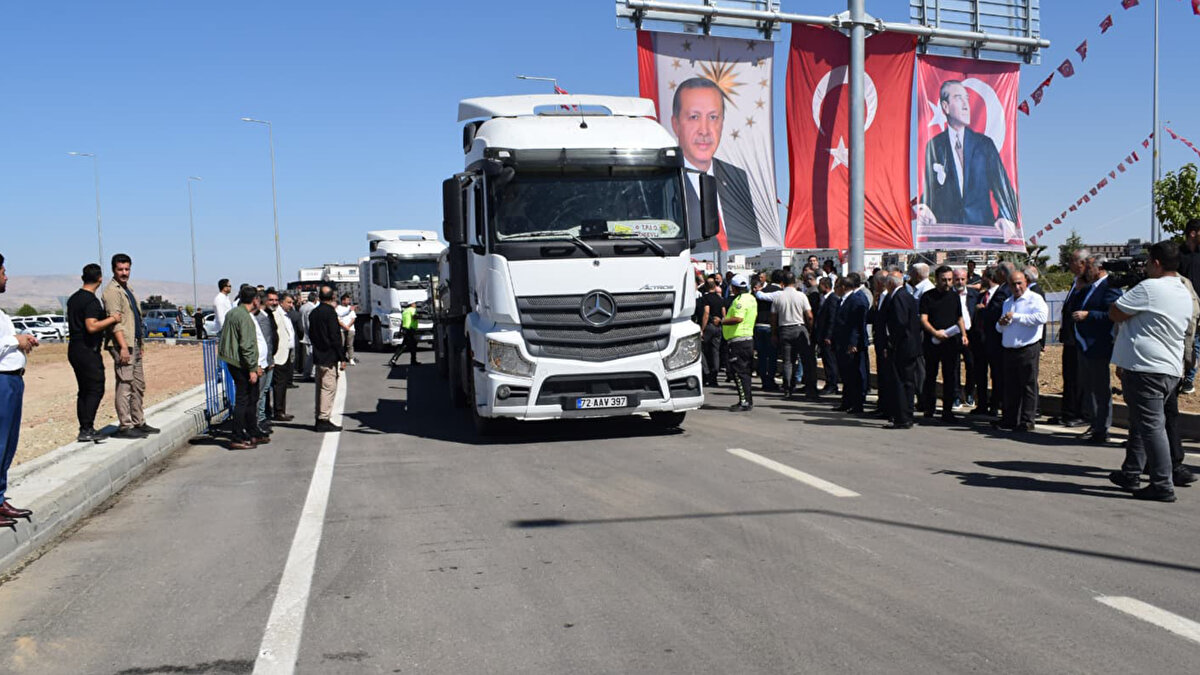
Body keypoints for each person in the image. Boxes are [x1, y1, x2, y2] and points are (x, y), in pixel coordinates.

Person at [1108, 241, 1193, 501]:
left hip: (1146, 368)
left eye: (1146, 262)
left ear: (1156, 263)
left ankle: (1162, 484)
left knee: (1153, 427)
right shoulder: (1182, 289)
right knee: (1144, 423)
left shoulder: (1149, 288)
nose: (1144, 267)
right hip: (1168, 367)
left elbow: (1115, 312)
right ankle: (1131, 471)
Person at [916, 80, 1019, 238]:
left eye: (967, 99)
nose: (966, 105)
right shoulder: (935, 145)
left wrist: (1006, 216)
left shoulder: (984, 145)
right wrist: (924, 206)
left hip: (984, 234)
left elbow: (1002, 185)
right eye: (958, 98)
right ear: (945, 107)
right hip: (946, 235)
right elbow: (930, 187)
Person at [672, 77, 759, 252]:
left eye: (713, 117)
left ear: (722, 123)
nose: (704, 130)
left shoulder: (737, 177)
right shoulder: (666, 181)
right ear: (676, 124)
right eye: (694, 117)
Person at [102, 253, 158, 439]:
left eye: (127, 269)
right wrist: (123, 347)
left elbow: (134, 318)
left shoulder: (128, 290)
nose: (124, 273)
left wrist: (139, 343)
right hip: (122, 344)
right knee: (125, 384)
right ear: (113, 270)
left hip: (134, 343)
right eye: (120, 269)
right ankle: (125, 425)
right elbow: (115, 322)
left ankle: (138, 421)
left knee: (138, 385)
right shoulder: (112, 292)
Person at [0, 253, 37, 529]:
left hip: (13, 381)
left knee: (8, 444)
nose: (6, 277)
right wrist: (16, 340)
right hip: (2, 383)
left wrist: (22, 343)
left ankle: (0, 498)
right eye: (2, 272)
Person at [67, 263, 122, 443]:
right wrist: (113, 319)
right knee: (95, 388)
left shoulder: (74, 298)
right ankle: (87, 428)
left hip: (75, 348)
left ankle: (85, 427)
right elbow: (91, 326)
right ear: (100, 279)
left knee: (84, 390)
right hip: (87, 350)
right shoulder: (90, 301)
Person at [1072, 256, 1121, 444]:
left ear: (1100, 267)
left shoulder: (1110, 286)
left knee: (1100, 389)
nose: (1086, 269)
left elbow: (1112, 313)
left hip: (1098, 343)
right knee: (1089, 387)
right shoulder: (1090, 287)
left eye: (1090, 266)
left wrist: (1088, 315)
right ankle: (1094, 424)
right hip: (1084, 344)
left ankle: (1102, 428)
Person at [993, 270, 1047, 432]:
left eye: (1019, 283)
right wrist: (1002, 322)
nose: (1016, 287)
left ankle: (1027, 421)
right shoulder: (1008, 301)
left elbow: (1041, 318)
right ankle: (1010, 419)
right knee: (1011, 386)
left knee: (1028, 386)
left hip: (1028, 347)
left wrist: (1016, 317)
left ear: (1026, 282)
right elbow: (999, 328)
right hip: (1010, 348)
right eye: (1013, 284)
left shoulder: (1034, 299)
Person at [920, 265, 968, 423]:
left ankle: (947, 410)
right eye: (944, 280)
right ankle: (929, 407)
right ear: (936, 279)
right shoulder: (928, 297)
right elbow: (923, 319)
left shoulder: (954, 296)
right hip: (933, 342)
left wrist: (964, 335)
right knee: (930, 375)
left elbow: (959, 317)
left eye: (949, 280)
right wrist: (935, 333)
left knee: (950, 376)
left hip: (951, 342)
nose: (947, 283)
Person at [218, 286, 262, 450]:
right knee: (243, 400)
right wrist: (252, 367)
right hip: (241, 363)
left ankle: (246, 432)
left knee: (244, 398)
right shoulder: (245, 318)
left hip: (231, 360)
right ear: (254, 300)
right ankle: (236, 436)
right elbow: (246, 345)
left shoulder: (233, 312)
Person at [1052, 249, 1089, 428]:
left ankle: (1079, 413)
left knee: (1079, 378)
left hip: (1079, 340)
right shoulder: (1076, 283)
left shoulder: (1087, 283)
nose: (1070, 264)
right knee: (1069, 376)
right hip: (1069, 338)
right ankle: (1067, 412)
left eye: (1073, 261)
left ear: (1082, 263)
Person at [882, 272, 921, 429]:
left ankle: (901, 417)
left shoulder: (898, 297)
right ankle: (907, 414)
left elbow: (900, 322)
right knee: (908, 382)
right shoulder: (907, 295)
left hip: (903, 346)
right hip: (910, 345)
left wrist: (892, 342)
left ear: (891, 284)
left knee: (900, 381)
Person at [770, 271, 816, 400]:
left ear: (782, 283)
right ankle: (810, 389)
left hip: (784, 329)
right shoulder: (801, 296)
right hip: (799, 328)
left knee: (788, 361)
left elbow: (773, 317)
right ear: (795, 282)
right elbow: (810, 316)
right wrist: (809, 330)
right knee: (806, 360)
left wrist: (774, 333)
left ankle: (788, 388)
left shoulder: (778, 297)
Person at [309, 285, 346, 431]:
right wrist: (342, 357)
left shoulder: (314, 313)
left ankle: (319, 416)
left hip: (318, 354)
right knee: (328, 388)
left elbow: (311, 333)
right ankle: (324, 418)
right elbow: (335, 336)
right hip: (329, 356)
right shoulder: (330, 313)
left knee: (320, 388)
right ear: (333, 297)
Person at [833, 273, 869, 414]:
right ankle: (846, 401)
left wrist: (853, 342)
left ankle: (857, 403)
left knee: (855, 374)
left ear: (843, 287)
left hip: (851, 344)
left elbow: (856, 324)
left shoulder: (856, 300)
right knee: (846, 374)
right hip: (842, 342)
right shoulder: (843, 300)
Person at [981, 262, 1014, 417]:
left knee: (999, 374)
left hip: (997, 338)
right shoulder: (1005, 289)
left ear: (1001, 274)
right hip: (997, 339)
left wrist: (984, 311)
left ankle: (998, 405)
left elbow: (994, 312)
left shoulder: (1004, 291)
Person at [720, 274, 756, 411]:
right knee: (745, 372)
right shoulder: (752, 298)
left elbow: (738, 318)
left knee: (738, 373)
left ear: (734, 288)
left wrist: (721, 321)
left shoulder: (739, 301)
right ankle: (748, 400)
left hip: (738, 341)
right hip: (747, 339)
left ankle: (744, 401)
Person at [1176, 219, 1200, 394]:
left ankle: (1189, 379)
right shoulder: (1177, 255)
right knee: (1179, 342)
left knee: (1195, 342)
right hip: (1180, 306)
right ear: (1193, 233)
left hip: (1198, 308)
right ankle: (1176, 376)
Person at [951, 268, 980, 409]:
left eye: (962, 279)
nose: (960, 282)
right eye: (957, 279)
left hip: (971, 335)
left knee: (972, 365)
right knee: (954, 367)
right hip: (954, 335)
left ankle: (969, 394)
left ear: (966, 280)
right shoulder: (948, 295)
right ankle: (956, 396)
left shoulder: (975, 295)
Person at [967, 268, 994, 416]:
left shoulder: (999, 295)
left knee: (995, 375)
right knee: (980, 374)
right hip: (978, 340)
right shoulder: (981, 296)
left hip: (993, 341)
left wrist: (984, 310)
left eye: (983, 277)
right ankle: (981, 403)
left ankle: (995, 404)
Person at [251, 291, 275, 440]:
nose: (274, 303)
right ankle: (258, 421)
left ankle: (261, 418)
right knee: (259, 393)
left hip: (268, 360)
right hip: (261, 362)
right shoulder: (256, 318)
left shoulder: (266, 316)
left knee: (265, 391)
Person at [753, 272, 782, 391]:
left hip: (759, 325)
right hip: (771, 327)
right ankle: (770, 380)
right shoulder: (780, 293)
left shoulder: (761, 291)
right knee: (772, 356)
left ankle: (764, 380)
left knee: (762, 356)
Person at [271, 291, 296, 422]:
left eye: (292, 302)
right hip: (279, 355)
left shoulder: (287, 315)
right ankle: (278, 411)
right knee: (279, 384)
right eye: (289, 302)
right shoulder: (276, 315)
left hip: (287, 353)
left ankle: (282, 410)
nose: (291, 305)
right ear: (281, 302)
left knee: (283, 384)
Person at [696, 278, 724, 388]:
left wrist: (702, 329)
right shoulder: (720, 299)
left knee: (700, 349)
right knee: (715, 352)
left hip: (709, 327)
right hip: (718, 327)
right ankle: (714, 375)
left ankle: (706, 373)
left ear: (706, 287)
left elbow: (706, 313)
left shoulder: (705, 298)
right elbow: (723, 313)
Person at [815, 276, 841, 394]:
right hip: (822, 335)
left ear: (825, 286)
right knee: (826, 360)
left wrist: (828, 336)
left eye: (820, 285)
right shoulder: (823, 298)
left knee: (830, 361)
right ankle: (828, 382)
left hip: (828, 337)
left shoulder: (832, 299)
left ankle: (832, 384)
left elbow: (832, 319)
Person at [389, 302, 419, 367]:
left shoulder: (405, 311)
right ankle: (393, 360)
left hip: (405, 329)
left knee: (412, 344)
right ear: (412, 304)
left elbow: (402, 322)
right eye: (415, 304)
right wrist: (420, 316)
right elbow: (414, 316)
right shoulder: (412, 310)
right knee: (405, 345)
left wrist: (400, 331)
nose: (415, 305)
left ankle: (413, 360)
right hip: (410, 330)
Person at [298, 291, 318, 381]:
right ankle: (310, 374)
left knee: (306, 356)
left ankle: (306, 373)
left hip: (303, 334)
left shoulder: (302, 307)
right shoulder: (312, 308)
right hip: (309, 335)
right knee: (311, 356)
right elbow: (310, 322)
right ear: (315, 299)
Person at [337, 293, 357, 366]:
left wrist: (348, 326)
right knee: (341, 344)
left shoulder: (350, 308)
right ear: (343, 301)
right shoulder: (338, 308)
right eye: (347, 300)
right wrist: (344, 326)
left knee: (350, 345)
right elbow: (338, 319)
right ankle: (341, 358)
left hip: (350, 328)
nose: (349, 301)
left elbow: (353, 318)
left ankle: (351, 358)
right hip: (341, 329)